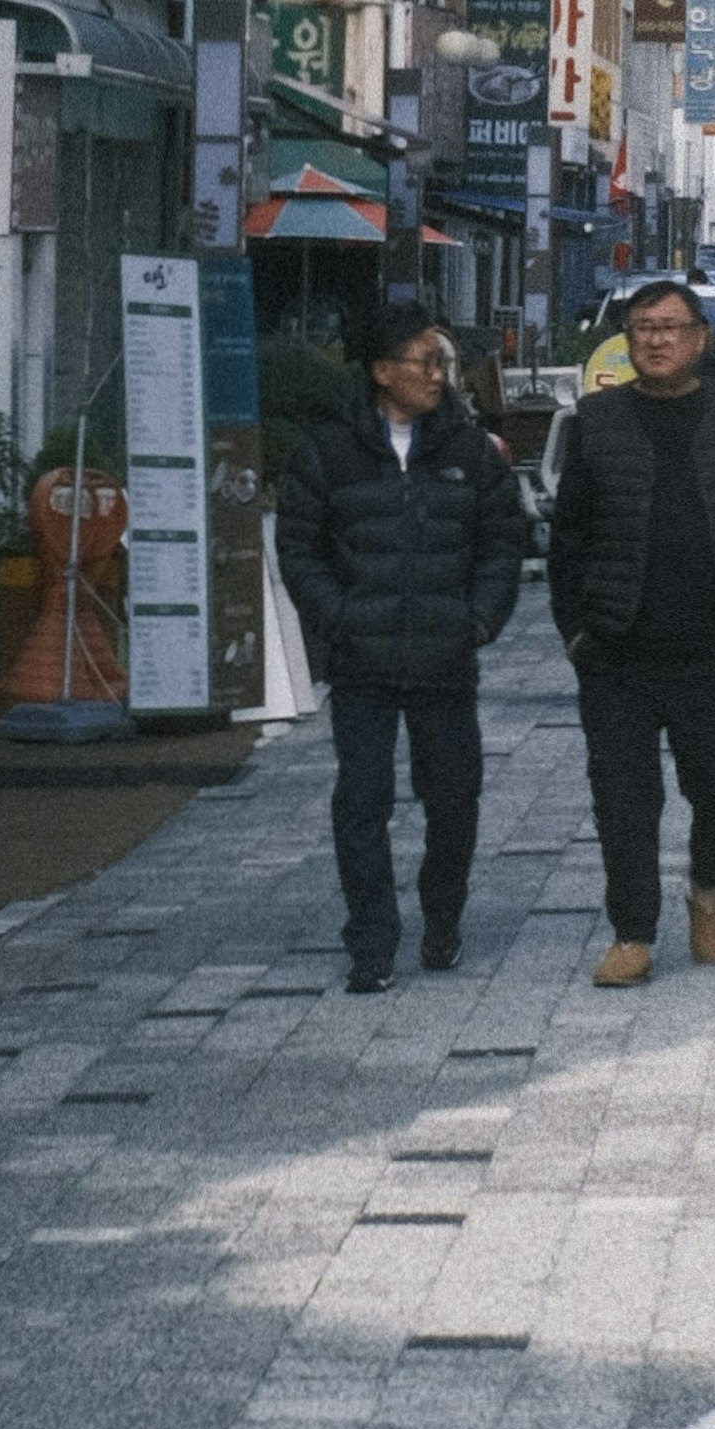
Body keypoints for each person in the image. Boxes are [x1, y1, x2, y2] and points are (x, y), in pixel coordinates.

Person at [275, 302, 526, 989]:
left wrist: (478, 619)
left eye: (442, 361)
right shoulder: (330, 450)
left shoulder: (470, 451)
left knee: (454, 801)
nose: (438, 374)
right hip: (363, 662)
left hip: (447, 659)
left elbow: (505, 540)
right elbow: (298, 546)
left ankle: (442, 919)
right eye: (425, 361)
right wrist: (339, 617)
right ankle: (372, 942)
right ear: (382, 370)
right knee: (361, 804)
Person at [547, 274, 715, 983]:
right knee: (623, 797)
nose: (655, 338)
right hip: (620, 651)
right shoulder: (598, 419)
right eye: (642, 326)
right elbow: (568, 543)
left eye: (670, 326)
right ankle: (633, 932)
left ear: (699, 339)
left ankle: (707, 886)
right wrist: (577, 635)